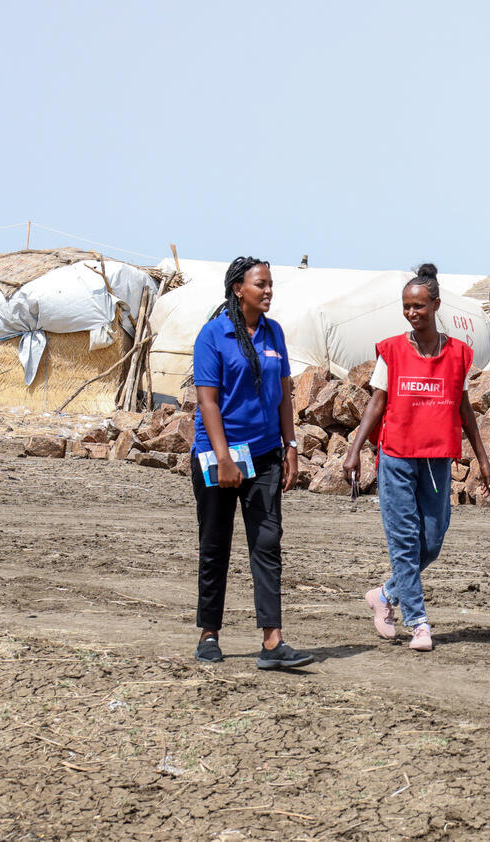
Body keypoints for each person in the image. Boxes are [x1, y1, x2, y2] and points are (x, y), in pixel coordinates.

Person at [343, 263, 490, 652]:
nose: (412, 313)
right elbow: (376, 405)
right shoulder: (392, 352)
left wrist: (483, 459)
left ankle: (384, 594)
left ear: (436, 305)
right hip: (396, 457)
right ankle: (419, 623)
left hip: (436, 460)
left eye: (419, 306)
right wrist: (355, 449)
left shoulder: (458, 354)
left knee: (432, 540)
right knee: (405, 543)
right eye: (407, 306)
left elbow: (464, 411)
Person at [190, 256, 313, 670]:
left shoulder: (274, 332)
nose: (268, 290)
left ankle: (272, 641)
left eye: (271, 284)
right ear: (238, 289)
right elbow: (207, 401)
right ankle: (209, 633)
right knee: (215, 544)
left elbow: (284, 394)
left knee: (266, 543)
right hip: (218, 457)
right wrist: (224, 459)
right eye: (261, 284)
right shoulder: (213, 335)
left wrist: (290, 444)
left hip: (263, 456)